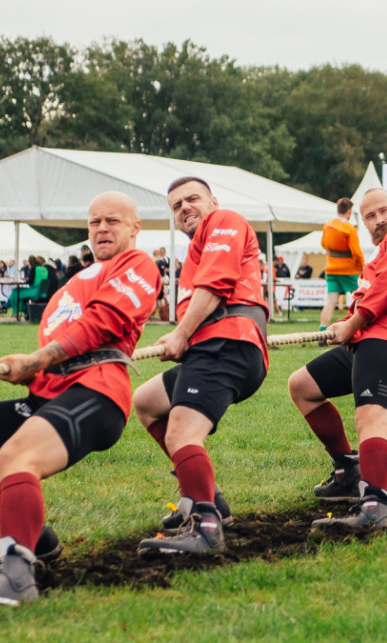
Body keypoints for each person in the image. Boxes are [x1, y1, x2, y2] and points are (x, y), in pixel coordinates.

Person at [0, 192, 159, 606]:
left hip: (97, 391)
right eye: (95, 222)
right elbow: (61, 341)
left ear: (135, 228)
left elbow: (102, 324)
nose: (102, 228)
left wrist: (37, 360)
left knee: (15, 457)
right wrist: (32, 369)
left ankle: (15, 576)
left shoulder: (138, 264)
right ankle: (34, 540)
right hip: (45, 394)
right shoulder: (75, 281)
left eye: (113, 221)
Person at [133, 176, 269, 556]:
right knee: (146, 402)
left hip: (227, 343)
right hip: (215, 346)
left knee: (181, 435)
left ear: (213, 202)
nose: (185, 208)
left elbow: (217, 284)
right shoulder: (199, 245)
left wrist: (181, 335)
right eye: (176, 206)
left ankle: (205, 527)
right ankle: (208, 499)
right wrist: (185, 338)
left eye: (192, 198)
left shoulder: (224, 220)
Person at [288, 189, 387, 531]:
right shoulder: (378, 252)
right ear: (362, 223)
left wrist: (352, 323)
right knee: (302, 386)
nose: (379, 219)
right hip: (366, 338)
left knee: (372, 419)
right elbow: (368, 294)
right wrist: (346, 324)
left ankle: (374, 507)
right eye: (370, 216)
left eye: (384, 210)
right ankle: (347, 471)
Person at [318, 197, 365, 343]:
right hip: (349, 269)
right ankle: (358, 329)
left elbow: (323, 244)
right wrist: (361, 265)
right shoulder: (350, 228)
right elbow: (356, 251)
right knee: (359, 298)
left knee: (330, 301)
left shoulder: (327, 225)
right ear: (349, 211)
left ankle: (322, 334)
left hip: (331, 268)